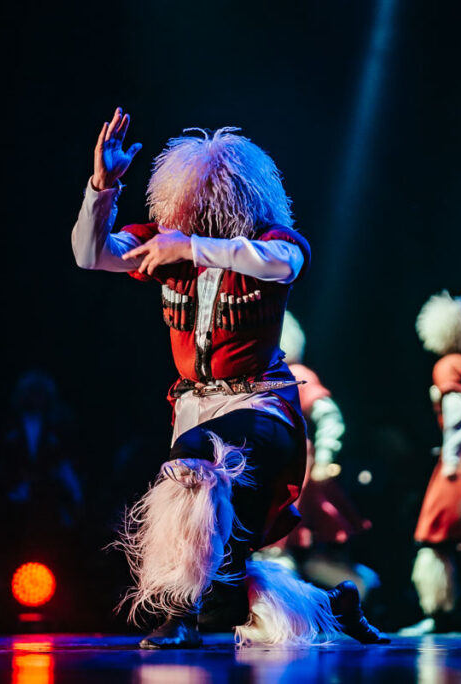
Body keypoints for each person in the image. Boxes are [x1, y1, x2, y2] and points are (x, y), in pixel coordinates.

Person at [70, 107, 386, 648]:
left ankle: (177, 616)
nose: (200, 216)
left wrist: (191, 248)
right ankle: (332, 608)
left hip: (263, 408)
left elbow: (284, 264)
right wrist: (103, 186)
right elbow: (89, 254)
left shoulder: (266, 242)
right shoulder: (164, 243)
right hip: (196, 404)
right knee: (225, 555)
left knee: (195, 460)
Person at [256, 311, 379, 598]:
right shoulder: (265, 377)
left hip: (296, 472)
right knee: (280, 551)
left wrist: (325, 457)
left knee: (283, 549)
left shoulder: (297, 375)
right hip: (274, 470)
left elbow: (330, 416)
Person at [399, 292, 461, 635]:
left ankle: (438, 612)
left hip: (460, 457)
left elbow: (458, 412)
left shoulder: (448, 365)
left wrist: (451, 458)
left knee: (434, 535)